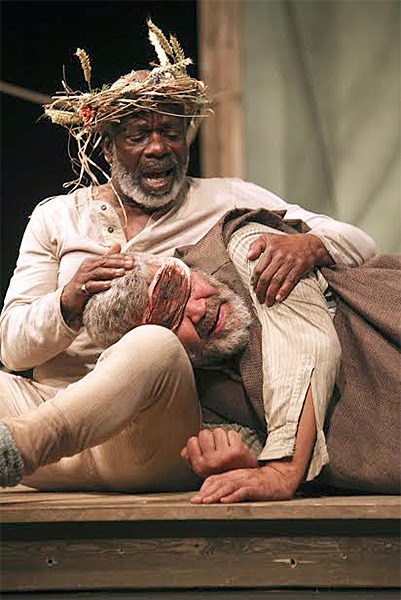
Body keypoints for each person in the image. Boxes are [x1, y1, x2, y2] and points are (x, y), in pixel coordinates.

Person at [0, 21, 377, 496]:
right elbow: (11, 347)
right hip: (39, 407)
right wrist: (69, 301)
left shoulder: (225, 201)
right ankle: (25, 445)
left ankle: (26, 445)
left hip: (145, 436)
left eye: (171, 133)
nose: (159, 148)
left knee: (154, 344)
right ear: (106, 144)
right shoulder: (58, 218)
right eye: (139, 135)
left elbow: (356, 242)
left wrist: (309, 244)